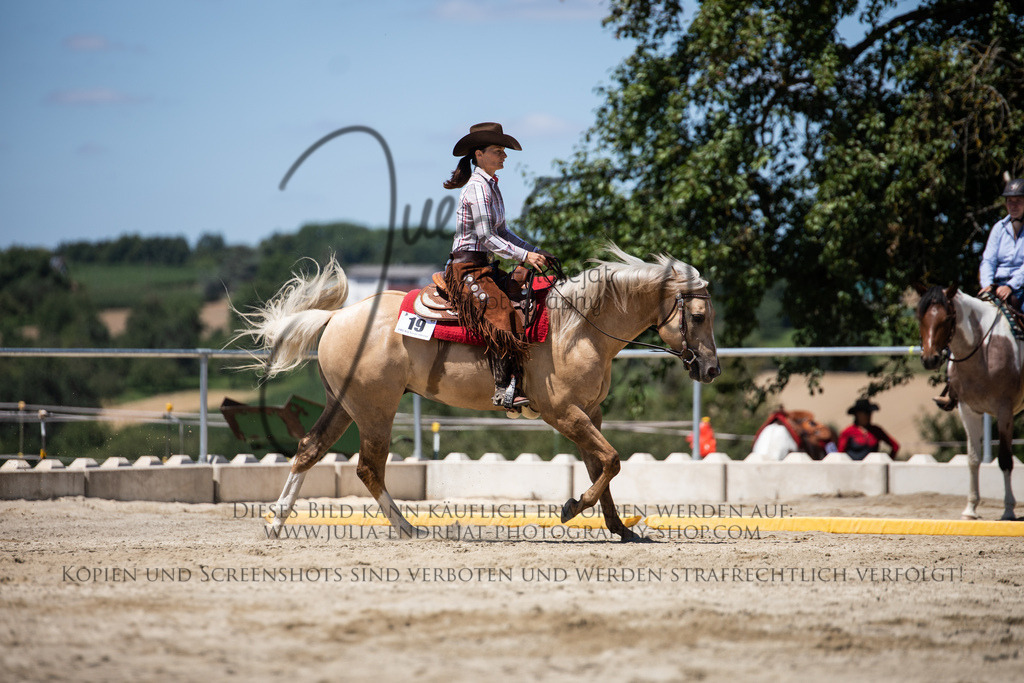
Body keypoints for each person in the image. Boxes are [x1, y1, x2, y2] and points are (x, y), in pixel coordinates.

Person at [441, 122, 555, 410]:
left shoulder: (491, 186)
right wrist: (524, 257)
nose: (504, 156)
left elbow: (502, 232)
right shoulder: (478, 188)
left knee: (523, 297)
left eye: (504, 151)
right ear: (478, 154)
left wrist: (534, 250)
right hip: (466, 270)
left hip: (484, 268)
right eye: (498, 150)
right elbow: (487, 237)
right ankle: (504, 388)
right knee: (501, 313)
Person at [935, 177, 1024, 410]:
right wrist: (986, 284)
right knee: (962, 326)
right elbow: (988, 259)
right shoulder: (999, 228)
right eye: (1009, 201)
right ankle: (952, 386)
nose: (1013, 205)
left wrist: (1012, 285)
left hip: (1020, 286)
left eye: (1018, 201)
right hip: (995, 286)